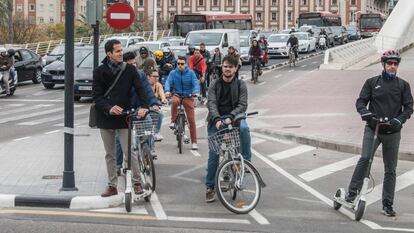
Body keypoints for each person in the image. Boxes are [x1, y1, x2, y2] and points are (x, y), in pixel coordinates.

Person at [345, 50, 413, 217]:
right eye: (389, 63)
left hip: (392, 131)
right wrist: (365, 113)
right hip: (373, 128)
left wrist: (400, 119)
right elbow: (361, 101)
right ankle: (352, 193)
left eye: (395, 64)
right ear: (383, 64)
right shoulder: (372, 82)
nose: (392, 66)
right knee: (365, 158)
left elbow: (409, 107)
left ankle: (387, 204)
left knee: (391, 169)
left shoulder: (403, 85)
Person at [93, 39, 150, 197]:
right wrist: (109, 108)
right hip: (105, 117)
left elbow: (140, 89)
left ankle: (137, 183)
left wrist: (145, 106)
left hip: (124, 117)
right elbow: (96, 97)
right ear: (109, 54)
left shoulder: (129, 70)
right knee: (109, 154)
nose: (121, 53)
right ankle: (112, 186)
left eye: (121, 50)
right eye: (117, 51)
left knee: (128, 151)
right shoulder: (99, 71)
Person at [205, 55, 252, 202]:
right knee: (214, 153)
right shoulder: (214, 84)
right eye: (225, 66)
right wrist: (217, 119)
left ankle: (246, 159)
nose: (227, 69)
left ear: (236, 68)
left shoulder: (240, 84)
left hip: (235, 118)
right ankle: (210, 187)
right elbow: (211, 103)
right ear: (222, 67)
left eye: (230, 67)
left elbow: (243, 105)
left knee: (244, 128)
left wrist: (231, 116)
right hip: (216, 120)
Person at [114, 51, 161, 175]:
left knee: (149, 124)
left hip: (139, 109)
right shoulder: (118, 76)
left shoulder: (140, 75)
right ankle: (117, 165)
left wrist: (154, 103)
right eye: (131, 64)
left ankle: (148, 152)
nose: (133, 66)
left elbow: (147, 91)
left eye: (135, 63)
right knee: (119, 138)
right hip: (124, 112)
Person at [164, 56, 200, 150]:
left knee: (191, 120)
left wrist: (196, 92)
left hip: (188, 96)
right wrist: (167, 90)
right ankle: (173, 121)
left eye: (182, 64)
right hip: (177, 94)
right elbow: (168, 82)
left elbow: (195, 83)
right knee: (174, 101)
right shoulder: (173, 73)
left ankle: (194, 142)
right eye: (178, 64)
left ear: (186, 64)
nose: (180, 65)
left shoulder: (191, 73)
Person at [147, 68, 167, 141]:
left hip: (155, 106)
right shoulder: (144, 85)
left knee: (160, 113)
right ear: (148, 77)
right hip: (145, 106)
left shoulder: (158, 85)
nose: (156, 78)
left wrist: (164, 99)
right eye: (154, 76)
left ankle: (157, 132)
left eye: (157, 76)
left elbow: (162, 93)